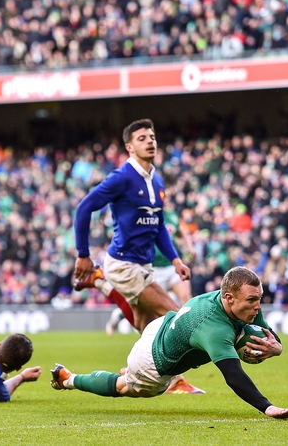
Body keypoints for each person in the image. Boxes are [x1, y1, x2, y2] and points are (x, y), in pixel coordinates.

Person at [50, 267, 288, 420]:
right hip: (153, 362)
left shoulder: (238, 301)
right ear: (228, 297)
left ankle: (102, 284)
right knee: (124, 387)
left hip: (160, 326)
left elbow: (269, 336)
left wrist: (277, 348)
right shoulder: (214, 328)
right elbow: (234, 375)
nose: (257, 306)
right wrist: (267, 408)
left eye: (259, 298)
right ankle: (68, 378)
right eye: (252, 300)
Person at [73, 118, 200, 394]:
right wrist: (82, 254)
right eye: (142, 138)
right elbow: (84, 208)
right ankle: (173, 379)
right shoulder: (121, 178)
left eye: (152, 136)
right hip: (122, 263)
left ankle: (140, 374)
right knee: (176, 316)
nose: (150, 141)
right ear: (129, 147)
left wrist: (176, 260)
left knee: (146, 327)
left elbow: (159, 226)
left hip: (143, 264)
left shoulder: (157, 179)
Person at [104, 209, 195, 336]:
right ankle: (119, 315)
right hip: (152, 268)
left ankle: (189, 333)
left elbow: (180, 233)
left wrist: (189, 247)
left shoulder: (172, 215)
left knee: (185, 297)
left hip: (170, 266)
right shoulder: (145, 214)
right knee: (148, 309)